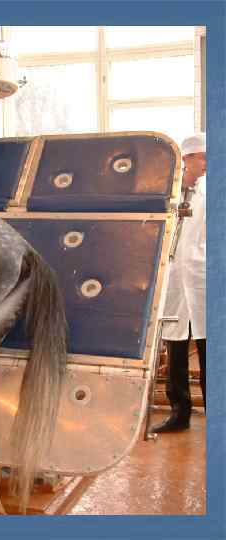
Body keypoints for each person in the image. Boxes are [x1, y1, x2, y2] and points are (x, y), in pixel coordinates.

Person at [151, 132, 206, 434]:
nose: (208, 163)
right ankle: (179, 414)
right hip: (172, 279)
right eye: (203, 157)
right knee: (175, 349)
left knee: (209, 348)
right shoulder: (167, 192)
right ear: (187, 158)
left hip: (202, 278)